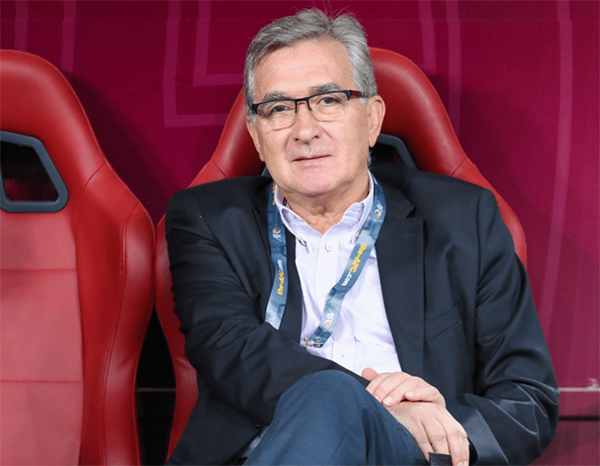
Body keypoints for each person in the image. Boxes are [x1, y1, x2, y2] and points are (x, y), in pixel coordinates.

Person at [165, 8, 558, 466]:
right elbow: (230, 350)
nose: (305, 130)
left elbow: (527, 400)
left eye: (328, 100)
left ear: (372, 118)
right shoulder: (207, 219)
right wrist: (381, 406)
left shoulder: (464, 220)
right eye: (278, 109)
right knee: (327, 394)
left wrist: (437, 427)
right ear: (256, 135)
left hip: (408, 454)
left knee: (331, 395)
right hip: (259, 453)